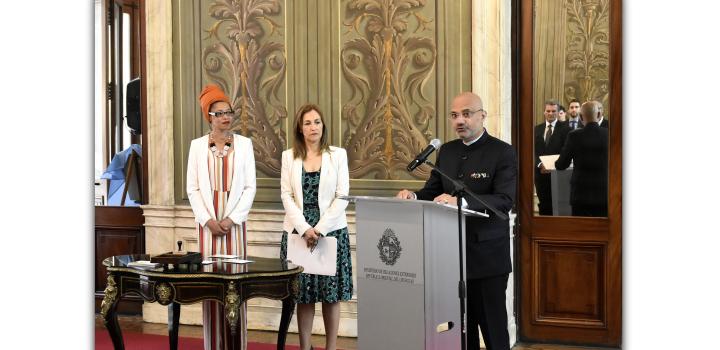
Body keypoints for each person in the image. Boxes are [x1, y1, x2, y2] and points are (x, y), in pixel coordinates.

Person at [396, 92, 517, 350]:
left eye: (467, 114)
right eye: (454, 115)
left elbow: (504, 201)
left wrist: (461, 202)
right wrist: (413, 195)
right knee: (461, 332)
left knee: (494, 331)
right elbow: (432, 190)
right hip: (450, 258)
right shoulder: (447, 151)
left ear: (482, 116)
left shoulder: (502, 152)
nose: (460, 120)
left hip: (487, 260)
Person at [187, 84, 257, 350]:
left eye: (229, 112)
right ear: (209, 116)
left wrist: (231, 220)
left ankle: (238, 346)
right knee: (211, 288)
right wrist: (208, 220)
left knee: (235, 286)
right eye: (219, 113)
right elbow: (192, 188)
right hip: (207, 228)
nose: (226, 117)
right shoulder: (196, 147)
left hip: (234, 228)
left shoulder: (245, 145)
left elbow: (250, 187)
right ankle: (212, 346)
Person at [279, 104, 353, 350]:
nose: (313, 127)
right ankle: (305, 346)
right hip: (298, 232)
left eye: (317, 122)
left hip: (331, 231)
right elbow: (286, 196)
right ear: (300, 128)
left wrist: (319, 229)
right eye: (308, 122)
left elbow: (342, 196)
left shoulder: (338, 155)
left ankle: (331, 347)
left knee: (331, 296)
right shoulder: (288, 156)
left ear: (324, 126)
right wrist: (304, 229)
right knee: (304, 295)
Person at [555, 101, 608, 217]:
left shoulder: (574, 136)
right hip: (604, 193)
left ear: (580, 117)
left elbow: (561, 165)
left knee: (580, 231)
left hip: (580, 195)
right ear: (599, 115)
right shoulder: (609, 135)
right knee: (602, 232)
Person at [534, 99, 570, 215]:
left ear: (558, 112)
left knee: (557, 205)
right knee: (543, 204)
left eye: (553, 111)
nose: (550, 113)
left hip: (558, 174)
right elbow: (532, 150)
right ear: (544, 112)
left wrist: (554, 166)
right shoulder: (536, 129)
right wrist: (539, 164)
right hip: (540, 173)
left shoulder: (566, 129)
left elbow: (566, 151)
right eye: (548, 111)